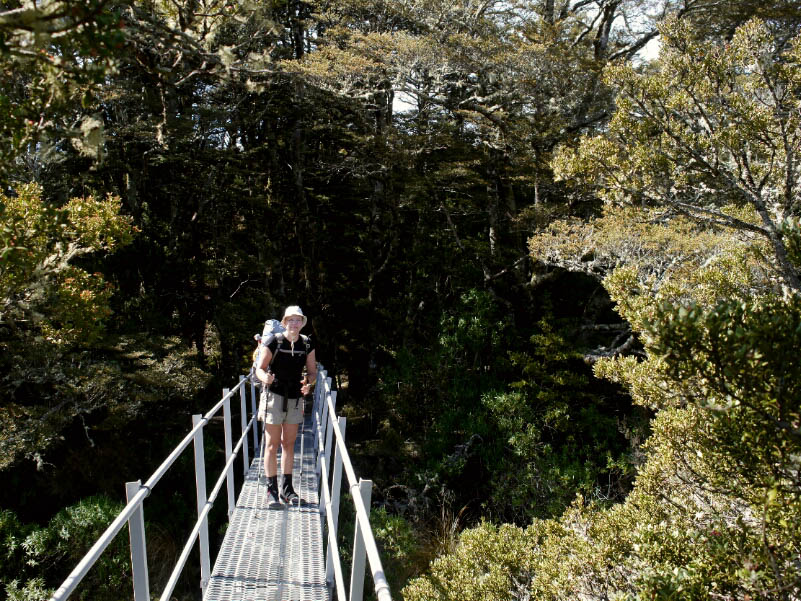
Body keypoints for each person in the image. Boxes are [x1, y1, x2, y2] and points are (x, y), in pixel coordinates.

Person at [255, 305, 316, 505]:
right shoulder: (274, 341)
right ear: (284, 322)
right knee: (272, 445)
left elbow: (312, 371)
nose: (294, 323)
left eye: (298, 320)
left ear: (302, 323)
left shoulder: (306, 344)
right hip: (274, 397)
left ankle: (287, 490)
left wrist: (309, 384)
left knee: (289, 444)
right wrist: (267, 379)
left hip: (295, 398)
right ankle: (271, 489)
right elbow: (260, 369)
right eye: (290, 320)